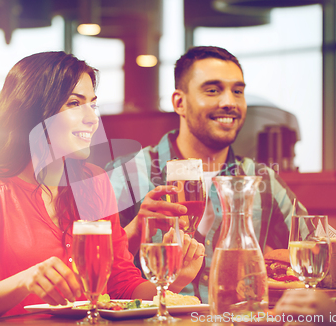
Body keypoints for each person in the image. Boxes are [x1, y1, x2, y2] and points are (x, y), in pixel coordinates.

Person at [0, 52, 205, 320]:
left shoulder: (95, 183)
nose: (92, 118)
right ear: (32, 111)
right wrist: (24, 281)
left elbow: (121, 286)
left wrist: (175, 280)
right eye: (74, 103)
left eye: (92, 104)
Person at [105, 46, 307, 302]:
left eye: (238, 91)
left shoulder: (262, 179)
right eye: (212, 90)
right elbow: (100, 272)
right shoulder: (127, 174)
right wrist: (135, 230)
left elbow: (310, 245)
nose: (229, 102)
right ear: (180, 102)